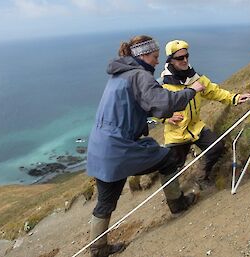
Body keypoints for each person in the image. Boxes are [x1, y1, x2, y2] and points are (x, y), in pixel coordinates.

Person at [86, 35, 205, 257]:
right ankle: (177, 204)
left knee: (106, 201)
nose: (157, 61)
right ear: (142, 55)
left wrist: (160, 115)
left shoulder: (119, 75)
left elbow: (136, 103)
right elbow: (165, 102)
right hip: (120, 148)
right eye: (154, 56)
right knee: (168, 159)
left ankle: (98, 249)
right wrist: (192, 90)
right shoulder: (140, 76)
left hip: (99, 148)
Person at [159, 39, 250, 188]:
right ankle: (176, 198)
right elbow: (151, 107)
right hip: (176, 133)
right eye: (179, 58)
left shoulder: (196, 78)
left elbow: (215, 92)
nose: (185, 60)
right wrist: (164, 118)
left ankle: (201, 176)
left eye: (186, 56)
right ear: (170, 60)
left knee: (217, 148)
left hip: (196, 127)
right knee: (172, 166)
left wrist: (235, 98)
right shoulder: (162, 84)